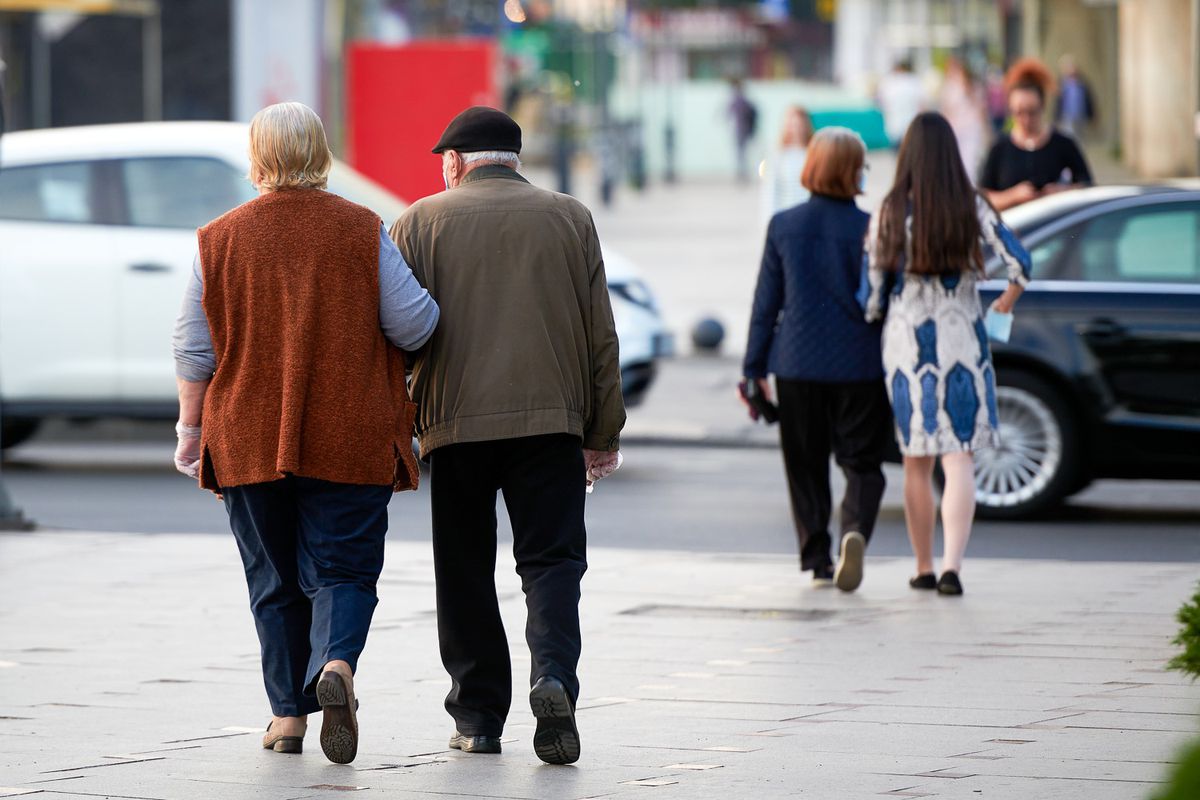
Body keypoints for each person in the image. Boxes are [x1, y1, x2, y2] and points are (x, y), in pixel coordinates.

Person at [171, 102, 439, 764]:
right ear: (320, 152)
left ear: (258, 156)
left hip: (247, 435)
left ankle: (288, 716)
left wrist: (189, 429)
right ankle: (339, 665)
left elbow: (194, 349)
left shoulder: (218, 238)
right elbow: (417, 325)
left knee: (272, 576)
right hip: (349, 431)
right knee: (344, 568)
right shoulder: (360, 229)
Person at [389, 107, 625, 765]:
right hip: (550, 423)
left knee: (463, 567)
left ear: (455, 162)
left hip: (454, 424)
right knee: (551, 562)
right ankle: (552, 677)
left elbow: (394, 336)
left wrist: (398, 426)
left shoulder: (417, 222)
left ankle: (478, 716)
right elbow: (600, 335)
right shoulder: (571, 218)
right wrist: (603, 431)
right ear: (514, 160)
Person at [864, 112, 1031, 596]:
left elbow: (875, 292)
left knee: (916, 460)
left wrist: (883, 307)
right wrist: (1003, 301)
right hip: (963, 340)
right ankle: (953, 566)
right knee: (959, 458)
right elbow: (1020, 261)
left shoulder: (891, 210)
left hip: (908, 346)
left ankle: (922, 566)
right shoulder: (972, 205)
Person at [743, 127, 889, 593]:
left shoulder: (784, 225)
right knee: (862, 462)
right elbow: (887, 298)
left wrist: (753, 369)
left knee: (804, 463)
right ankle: (855, 530)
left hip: (796, 362)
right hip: (860, 363)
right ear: (855, 172)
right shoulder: (872, 228)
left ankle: (818, 557)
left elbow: (767, 303)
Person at [979, 58, 1093, 211]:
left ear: (1043, 106)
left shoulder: (1063, 144)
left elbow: (1089, 187)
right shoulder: (1000, 148)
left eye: (1032, 112)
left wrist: (1062, 192)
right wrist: (1013, 196)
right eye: (1019, 112)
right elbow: (983, 198)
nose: (1026, 119)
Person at [939, 57, 989, 181]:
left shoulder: (971, 86)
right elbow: (946, 110)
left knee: (970, 162)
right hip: (957, 130)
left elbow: (980, 109)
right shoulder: (949, 88)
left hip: (970, 129)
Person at [760, 105, 813, 219]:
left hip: (809, 216)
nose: (797, 129)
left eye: (800, 125)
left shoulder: (813, 152)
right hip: (787, 216)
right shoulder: (779, 154)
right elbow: (771, 191)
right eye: (793, 125)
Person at [877, 59, 926, 148]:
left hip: (895, 124)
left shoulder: (889, 82)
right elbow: (922, 104)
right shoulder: (914, 82)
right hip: (910, 123)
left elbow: (881, 102)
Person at [1055, 55, 1095, 138]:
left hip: (1080, 115)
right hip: (1067, 116)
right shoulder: (1062, 84)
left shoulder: (1082, 83)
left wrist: (1091, 114)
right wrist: (1057, 117)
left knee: (1080, 138)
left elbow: (1088, 100)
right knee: (1068, 136)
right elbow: (1058, 102)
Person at [728, 79, 759, 183]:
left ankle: (742, 173)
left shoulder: (737, 101)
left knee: (741, 153)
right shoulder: (746, 101)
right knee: (743, 153)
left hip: (740, 131)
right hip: (745, 131)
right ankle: (743, 173)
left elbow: (728, 113)